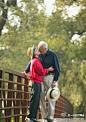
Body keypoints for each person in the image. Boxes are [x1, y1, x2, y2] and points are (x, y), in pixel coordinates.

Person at [22, 45, 54, 122]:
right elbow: (42, 71)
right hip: (36, 83)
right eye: (36, 50)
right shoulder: (36, 61)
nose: (37, 50)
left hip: (36, 82)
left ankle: (32, 117)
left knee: (35, 100)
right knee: (34, 100)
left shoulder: (34, 60)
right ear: (34, 53)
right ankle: (30, 117)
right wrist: (49, 69)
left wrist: (25, 71)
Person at [38, 41, 60, 122]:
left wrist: (55, 81)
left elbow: (57, 69)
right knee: (41, 97)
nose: (39, 51)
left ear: (45, 49)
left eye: (40, 49)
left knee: (51, 97)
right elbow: (32, 63)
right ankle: (44, 117)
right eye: (38, 49)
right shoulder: (39, 55)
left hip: (50, 78)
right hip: (40, 78)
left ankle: (50, 117)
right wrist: (25, 71)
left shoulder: (53, 55)